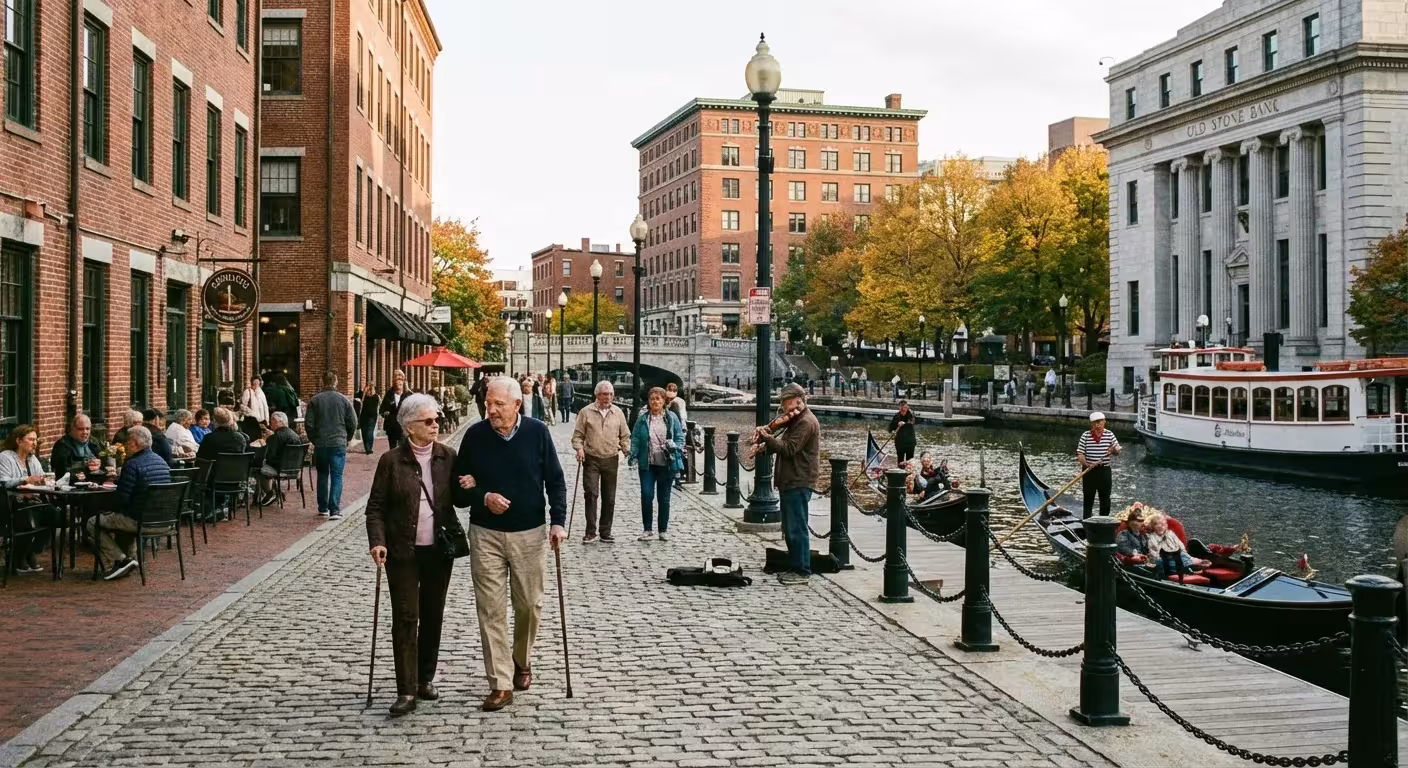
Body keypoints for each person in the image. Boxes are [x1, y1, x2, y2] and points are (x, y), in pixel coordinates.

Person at [451, 377, 567, 712]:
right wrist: (482, 495)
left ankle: (522, 658)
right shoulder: (475, 436)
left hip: (529, 532)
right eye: (488, 403)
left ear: (517, 404)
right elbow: (458, 492)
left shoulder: (537, 433)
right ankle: (500, 683)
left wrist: (558, 521)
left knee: (529, 605)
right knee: (491, 609)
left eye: (498, 404)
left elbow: (555, 481)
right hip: (485, 532)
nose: (491, 410)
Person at [365, 393, 460, 717]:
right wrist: (377, 542)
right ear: (409, 427)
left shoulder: (448, 456)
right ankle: (405, 690)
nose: (436, 425)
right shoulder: (391, 462)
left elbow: (461, 498)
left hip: (438, 551)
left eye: (436, 419)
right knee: (406, 618)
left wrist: (473, 484)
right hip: (402, 551)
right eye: (428, 421)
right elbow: (375, 507)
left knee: (433, 614)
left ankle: (424, 679)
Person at [753, 383, 820, 585]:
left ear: (798, 400)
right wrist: (764, 447)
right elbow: (782, 446)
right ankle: (795, 566)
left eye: (786, 402)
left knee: (796, 527)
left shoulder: (806, 422)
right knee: (790, 526)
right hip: (790, 479)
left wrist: (766, 436)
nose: (783, 407)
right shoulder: (795, 420)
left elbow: (789, 449)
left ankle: (802, 570)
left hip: (798, 480)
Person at [87, 426, 170, 581]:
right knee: (122, 517)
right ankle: (130, 558)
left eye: (127, 442)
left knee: (93, 522)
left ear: (135, 444)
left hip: (141, 522)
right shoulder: (162, 462)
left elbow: (122, 499)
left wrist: (105, 507)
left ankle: (120, 559)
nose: (125, 446)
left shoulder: (132, 464)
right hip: (165, 521)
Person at [570, 380, 630, 543]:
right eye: (604, 394)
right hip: (591, 459)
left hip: (611, 458)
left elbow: (625, 435)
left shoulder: (618, 412)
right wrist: (579, 449)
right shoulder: (586, 412)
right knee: (591, 494)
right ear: (597, 394)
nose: (608, 397)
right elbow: (577, 436)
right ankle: (590, 531)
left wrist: (625, 451)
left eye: (610, 394)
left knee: (609, 497)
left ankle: (605, 531)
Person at [629, 387, 684, 542]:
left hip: (667, 464)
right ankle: (647, 529)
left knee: (664, 498)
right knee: (647, 495)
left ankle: (663, 530)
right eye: (652, 399)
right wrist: (633, 455)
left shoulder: (672, 418)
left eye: (658, 399)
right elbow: (636, 438)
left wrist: (675, 446)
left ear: (664, 401)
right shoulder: (642, 419)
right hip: (647, 464)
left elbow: (680, 437)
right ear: (649, 401)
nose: (655, 401)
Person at [306, 372, 358, 520]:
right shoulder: (344, 400)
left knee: (322, 474)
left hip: (321, 443)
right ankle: (334, 509)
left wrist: (314, 439)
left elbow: (308, 424)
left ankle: (323, 507)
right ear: (336, 382)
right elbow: (353, 422)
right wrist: (347, 437)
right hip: (338, 442)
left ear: (323, 382)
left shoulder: (314, 401)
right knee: (337, 475)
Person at [0, 424, 52, 574]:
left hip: (32, 499)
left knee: (54, 515)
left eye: (36, 440)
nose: (35, 443)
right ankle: (19, 556)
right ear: (19, 441)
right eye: (30, 439)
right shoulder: (5, 457)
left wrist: (45, 481)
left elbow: (41, 477)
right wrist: (25, 480)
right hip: (10, 502)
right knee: (27, 517)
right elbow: (3, 482)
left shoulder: (33, 459)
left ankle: (31, 551)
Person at [1076, 411, 1122, 519]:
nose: (1097, 425)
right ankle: (1086, 522)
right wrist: (1086, 463)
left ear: (1104, 422)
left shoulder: (1109, 434)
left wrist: (1113, 450)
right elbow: (1080, 453)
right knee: (1088, 498)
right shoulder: (1085, 435)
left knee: (1105, 498)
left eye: (1099, 422)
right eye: (1095, 423)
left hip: (1104, 470)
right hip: (1089, 471)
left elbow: (1118, 451)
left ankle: (1104, 521)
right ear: (1091, 424)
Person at [1143, 511, 1211, 576]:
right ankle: (1188, 568)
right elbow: (1155, 553)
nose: (1159, 526)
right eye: (1156, 524)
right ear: (1152, 526)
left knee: (1182, 553)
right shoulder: (1152, 537)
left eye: (1162, 524)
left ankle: (1194, 564)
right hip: (1159, 559)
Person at [256, 412, 302, 506]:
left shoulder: (275, 437)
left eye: (271, 421)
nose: (270, 424)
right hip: (295, 469)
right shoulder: (295, 435)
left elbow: (270, 457)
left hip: (280, 468)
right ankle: (275, 491)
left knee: (257, 468)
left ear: (276, 422)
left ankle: (270, 493)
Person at [380, 371, 410, 450]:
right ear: (394, 383)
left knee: (403, 446)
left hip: (403, 425)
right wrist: (384, 413)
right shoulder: (389, 394)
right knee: (392, 448)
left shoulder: (408, 394)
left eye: (401, 382)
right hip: (392, 425)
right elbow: (382, 409)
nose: (400, 383)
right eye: (398, 381)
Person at [888, 400, 917, 465]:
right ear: (899, 408)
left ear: (907, 408)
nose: (903, 411)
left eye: (905, 408)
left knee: (909, 461)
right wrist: (896, 425)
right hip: (900, 443)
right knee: (900, 460)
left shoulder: (911, 415)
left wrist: (904, 423)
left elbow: (912, 422)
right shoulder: (896, 416)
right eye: (902, 409)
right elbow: (890, 428)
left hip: (910, 443)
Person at [359, 383, 380, 455]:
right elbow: (361, 398)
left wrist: (366, 391)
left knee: (368, 432)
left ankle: (368, 448)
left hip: (371, 417)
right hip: (365, 416)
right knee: (366, 432)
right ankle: (368, 448)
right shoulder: (365, 397)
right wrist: (365, 392)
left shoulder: (375, 397)